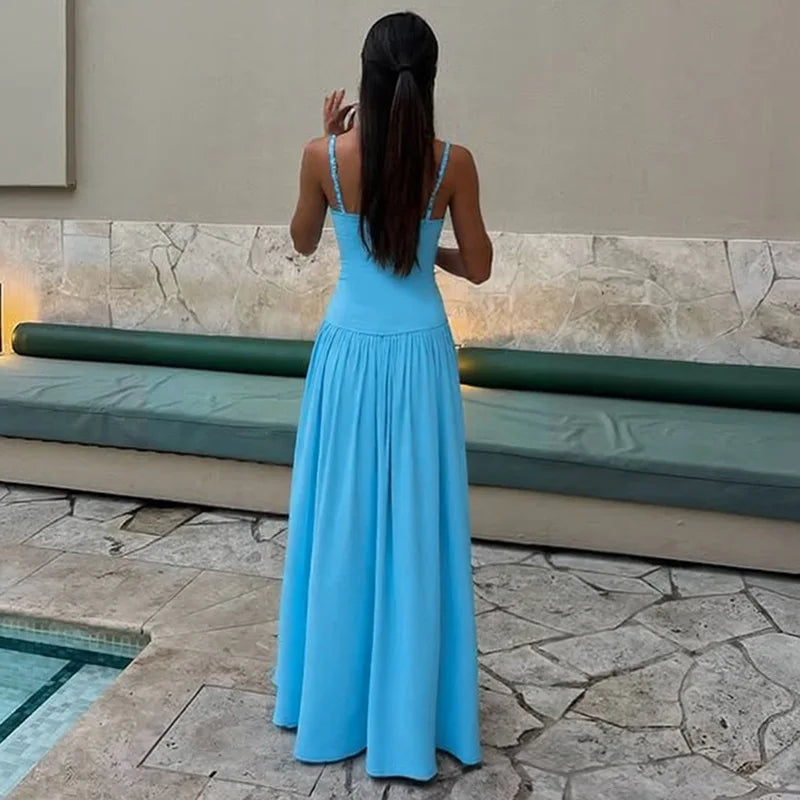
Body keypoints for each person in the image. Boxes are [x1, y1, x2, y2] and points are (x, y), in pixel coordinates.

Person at [273, 10, 493, 782]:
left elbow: (303, 242)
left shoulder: (323, 158)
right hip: (420, 355)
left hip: (348, 354)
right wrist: (427, 248)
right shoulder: (452, 163)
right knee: (417, 522)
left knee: (342, 520)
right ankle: (415, 711)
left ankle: (331, 700)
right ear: (428, 80)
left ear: (364, 77)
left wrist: (325, 144)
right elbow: (482, 265)